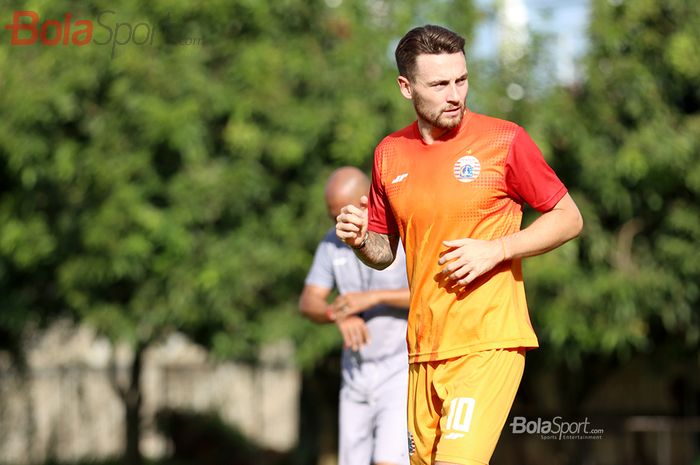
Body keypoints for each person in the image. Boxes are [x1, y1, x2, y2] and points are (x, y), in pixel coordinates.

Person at [335, 25, 583, 465]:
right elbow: (383, 252)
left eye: (461, 80)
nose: (455, 95)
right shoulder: (389, 154)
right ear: (406, 87)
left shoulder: (504, 140)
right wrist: (359, 240)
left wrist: (498, 249)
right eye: (440, 84)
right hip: (423, 349)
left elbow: (569, 217)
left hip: (488, 341)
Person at [300, 166, 412, 465]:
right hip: (356, 373)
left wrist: (373, 297)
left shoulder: (400, 235)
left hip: (400, 369)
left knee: (391, 460)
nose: (337, 222)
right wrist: (337, 314)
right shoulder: (330, 242)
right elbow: (308, 301)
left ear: (366, 202)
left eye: (342, 213)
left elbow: (429, 297)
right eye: (331, 215)